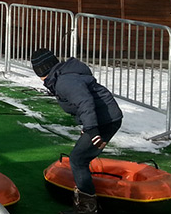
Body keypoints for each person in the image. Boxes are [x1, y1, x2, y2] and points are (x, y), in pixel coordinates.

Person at [31, 48, 122, 214]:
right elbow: (79, 104)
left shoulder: (64, 82)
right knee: (80, 157)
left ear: (41, 70)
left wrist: (92, 130)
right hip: (103, 118)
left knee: (78, 159)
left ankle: (88, 207)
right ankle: (87, 204)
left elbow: (85, 103)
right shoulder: (62, 76)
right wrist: (86, 126)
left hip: (106, 120)